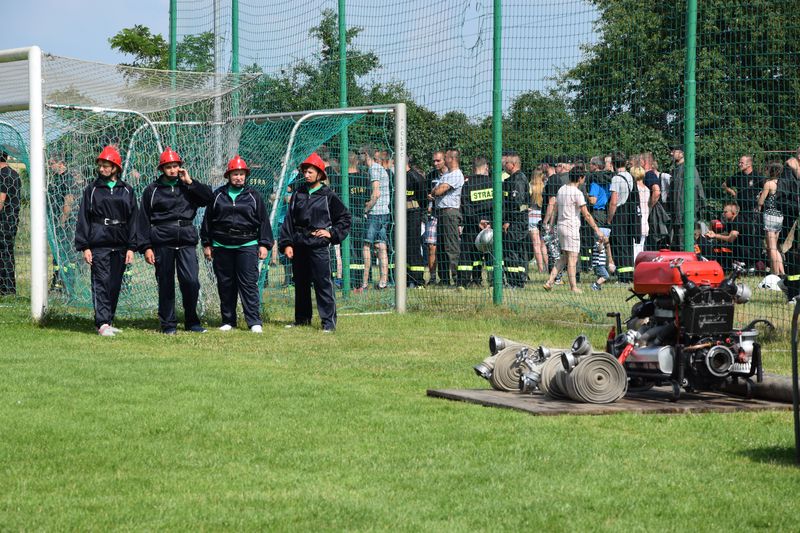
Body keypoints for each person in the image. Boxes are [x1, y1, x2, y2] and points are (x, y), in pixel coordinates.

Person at [137, 147, 213, 334]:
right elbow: (143, 219)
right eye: (168, 166)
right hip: (162, 240)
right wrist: (146, 247)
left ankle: (192, 321)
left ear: (180, 167)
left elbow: (209, 198)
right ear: (162, 169)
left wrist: (190, 182)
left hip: (186, 239)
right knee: (165, 283)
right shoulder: (151, 190)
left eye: (175, 166)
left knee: (191, 281)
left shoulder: (188, 186)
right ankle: (168, 324)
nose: (172, 169)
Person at [279, 153, 352, 332]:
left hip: (318, 245)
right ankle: (302, 319)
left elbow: (345, 218)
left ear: (319, 174)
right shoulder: (298, 193)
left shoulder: (328, 195)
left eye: (310, 171)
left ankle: (328, 322)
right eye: (305, 171)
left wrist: (331, 233)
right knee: (301, 284)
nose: (307, 175)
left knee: (323, 283)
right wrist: (287, 243)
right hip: (300, 244)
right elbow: (289, 220)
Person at [201, 155, 272, 333]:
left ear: (246, 175)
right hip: (221, 246)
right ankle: (228, 321)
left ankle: (254, 321)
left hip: (247, 245)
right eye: (235, 174)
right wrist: (207, 244)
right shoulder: (218, 195)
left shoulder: (254, 196)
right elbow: (207, 221)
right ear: (228, 176)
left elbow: (263, 221)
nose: (238, 177)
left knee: (248, 284)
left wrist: (264, 244)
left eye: (241, 174)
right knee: (225, 284)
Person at [74, 146, 138, 336]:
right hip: (99, 242)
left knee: (115, 283)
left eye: (106, 165)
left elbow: (134, 219)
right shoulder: (92, 190)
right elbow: (84, 217)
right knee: (101, 281)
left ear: (115, 167)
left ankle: (107, 320)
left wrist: (131, 247)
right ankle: (102, 323)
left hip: (120, 242)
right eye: (100, 165)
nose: (102, 169)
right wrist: (85, 246)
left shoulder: (127, 190)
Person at [543, 164, 607, 293]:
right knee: (573, 257)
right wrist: (597, 230)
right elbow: (587, 215)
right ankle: (574, 287)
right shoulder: (577, 193)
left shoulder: (561, 189)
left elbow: (555, 208)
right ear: (580, 178)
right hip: (571, 227)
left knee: (564, 257)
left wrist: (550, 224)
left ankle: (549, 282)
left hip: (560, 226)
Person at [429, 149, 464, 286]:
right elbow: (435, 190)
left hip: (450, 213)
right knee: (441, 248)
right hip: (441, 213)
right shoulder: (447, 175)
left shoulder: (456, 175)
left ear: (451, 159)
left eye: (445, 158)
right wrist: (435, 191)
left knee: (451, 247)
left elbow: (438, 190)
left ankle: (456, 278)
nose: (443, 160)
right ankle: (444, 279)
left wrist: (435, 191)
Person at [458, 156, 493, 286]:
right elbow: (499, 205)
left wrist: (478, 220)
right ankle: (495, 281)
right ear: (486, 168)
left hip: (472, 224)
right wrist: (489, 222)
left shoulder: (468, 185)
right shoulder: (493, 183)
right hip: (490, 225)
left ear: (473, 169)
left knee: (468, 254)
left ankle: (464, 282)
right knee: (491, 255)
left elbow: (465, 206)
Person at [360, 148, 391, 291]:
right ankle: (383, 282)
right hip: (384, 212)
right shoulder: (379, 168)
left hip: (376, 213)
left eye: (360, 154)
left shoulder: (374, 169)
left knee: (367, 246)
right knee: (381, 246)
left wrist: (366, 208)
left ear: (366, 155)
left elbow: (376, 193)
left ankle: (364, 284)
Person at [607, 151, 639, 282]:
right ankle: (630, 274)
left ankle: (622, 277)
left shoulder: (616, 178)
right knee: (627, 244)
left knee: (618, 244)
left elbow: (614, 201)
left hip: (619, 213)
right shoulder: (630, 176)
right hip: (629, 214)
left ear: (613, 164)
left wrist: (609, 218)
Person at [666, 145, 706, 250]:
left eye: (674, 151)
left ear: (682, 153)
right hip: (676, 217)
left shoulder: (689, 169)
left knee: (686, 247)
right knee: (677, 247)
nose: (671, 153)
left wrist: (691, 214)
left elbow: (697, 193)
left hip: (685, 217)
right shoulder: (676, 170)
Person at [501, 151, 531, 287]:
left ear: (512, 164)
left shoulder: (517, 180)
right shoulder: (515, 179)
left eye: (505, 163)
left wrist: (508, 220)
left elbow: (516, 203)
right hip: (519, 220)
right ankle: (519, 280)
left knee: (511, 251)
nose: (503, 165)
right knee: (517, 251)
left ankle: (515, 282)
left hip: (516, 222)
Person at [48, 154, 76, 291]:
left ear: (60, 163)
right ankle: (57, 282)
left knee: (65, 253)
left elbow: (69, 200)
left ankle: (67, 283)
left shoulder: (68, 177)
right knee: (57, 253)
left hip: (66, 222)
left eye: (52, 163)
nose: (50, 166)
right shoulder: (56, 178)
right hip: (56, 221)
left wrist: (62, 220)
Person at [756, 162, 784, 276]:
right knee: (775, 246)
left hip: (770, 216)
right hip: (780, 216)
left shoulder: (769, 184)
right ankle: (782, 272)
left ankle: (775, 274)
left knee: (771, 247)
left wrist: (759, 197)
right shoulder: (783, 183)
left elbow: (761, 202)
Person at [0, 151, 21, 295]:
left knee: (4, 255)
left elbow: (1, 201)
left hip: (4, 221)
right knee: (7, 254)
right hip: (12, 219)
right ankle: (8, 289)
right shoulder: (14, 174)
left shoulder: (3, 175)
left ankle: (6, 290)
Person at [424, 151, 446, 285]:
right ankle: (432, 277)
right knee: (431, 246)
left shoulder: (451, 174)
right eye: (434, 161)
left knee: (446, 247)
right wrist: (428, 196)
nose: (435, 163)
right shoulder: (430, 176)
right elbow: (425, 192)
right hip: (433, 215)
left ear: (445, 160)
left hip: (447, 214)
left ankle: (448, 277)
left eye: (438, 161)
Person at [405, 157, 426, 287]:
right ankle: (407, 279)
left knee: (414, 246)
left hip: (413, 214)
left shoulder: (415, 177)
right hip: (401, 215)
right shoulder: (396, 177)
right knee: (404, 247)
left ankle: (418, 280)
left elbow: (423, 198)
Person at [529, 169, 546, 273]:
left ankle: (540, 268)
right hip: (541, 216)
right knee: (543, 243)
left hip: (531, 216)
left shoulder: (530, 187)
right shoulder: (544, 187)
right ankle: (548, 265)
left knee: (536, 244)